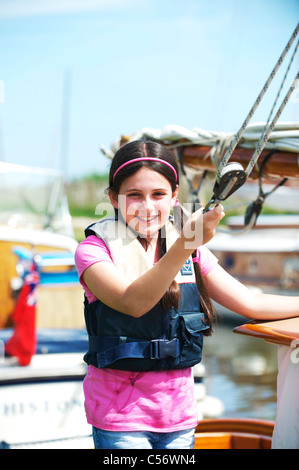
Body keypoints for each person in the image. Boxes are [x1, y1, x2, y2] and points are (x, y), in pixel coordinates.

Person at [75, 140, 299, 450]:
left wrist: (189, 243)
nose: (148, 207)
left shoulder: (187, 245)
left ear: (174, 197)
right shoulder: (93, 251)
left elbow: (250, 302)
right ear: (114, 198)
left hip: (178, 417)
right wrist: (189, 243)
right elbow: (133, 303)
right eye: (134, 196)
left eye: (158, 195)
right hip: (120, 419)